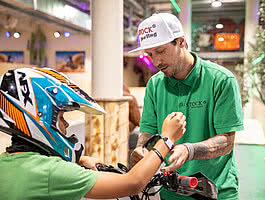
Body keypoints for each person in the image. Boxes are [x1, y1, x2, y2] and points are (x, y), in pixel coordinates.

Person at [0, 67, 186, 200]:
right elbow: (133, 183)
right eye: (61, 116)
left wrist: (78, 161)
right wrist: (167, 139)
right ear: (40, 116)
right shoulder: (50, 172)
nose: (66, 124)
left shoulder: (7, 161)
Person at [129, 13, 244, 200]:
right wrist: (141, 148)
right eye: (150, 54)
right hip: (171, 191)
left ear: (181, 42)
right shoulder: (155, 84)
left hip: (217, 190)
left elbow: (226, 142)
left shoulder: (221, 80)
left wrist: (189, 150)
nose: (156, 62)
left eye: (160, 51)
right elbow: (148, 130)